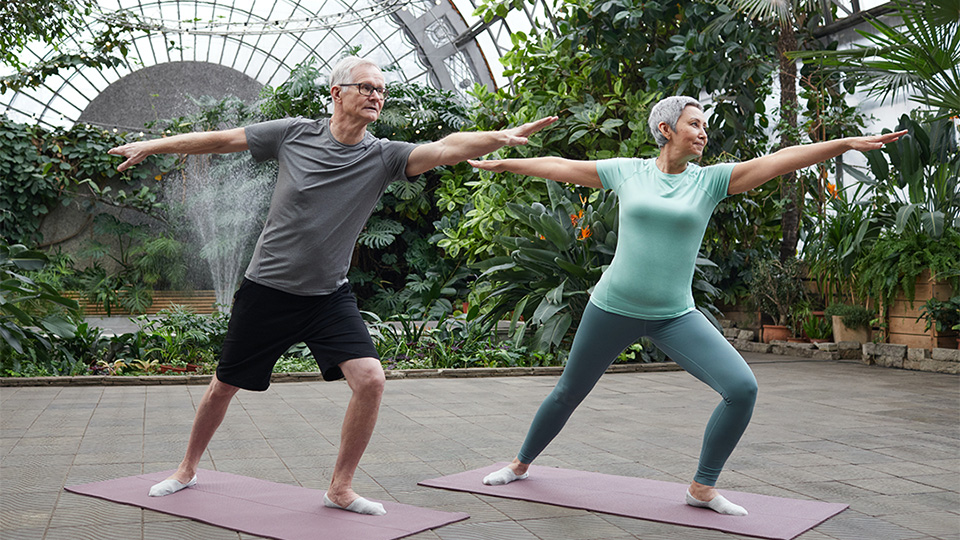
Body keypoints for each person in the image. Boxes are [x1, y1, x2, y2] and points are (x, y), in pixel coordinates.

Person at [108, 55, 556, 516]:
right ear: (336, 93)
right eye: (366, 87)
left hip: (328, 295)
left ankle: (340, 488)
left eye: (381, 91)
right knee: (223, 385)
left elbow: (445, 147)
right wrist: (157, 145)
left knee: (371, 380)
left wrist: (499, 138)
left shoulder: (384, 156)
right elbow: (223, 140)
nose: (375, 96)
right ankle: (186, 469)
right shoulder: (294, 133)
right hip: (268, 289)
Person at [469, 96, 906, 516]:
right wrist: (506, 160)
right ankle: (520, 464)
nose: (703, 133)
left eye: (704, 126)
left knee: (742, 389)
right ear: (665, 129)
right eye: (694, 124)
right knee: (568, 392)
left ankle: (702, 487)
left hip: (675, 316)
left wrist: (844, 143)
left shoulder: (710, 180)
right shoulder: (628, 172)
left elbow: (781, 159)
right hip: (611, 307)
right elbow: (561, 167)